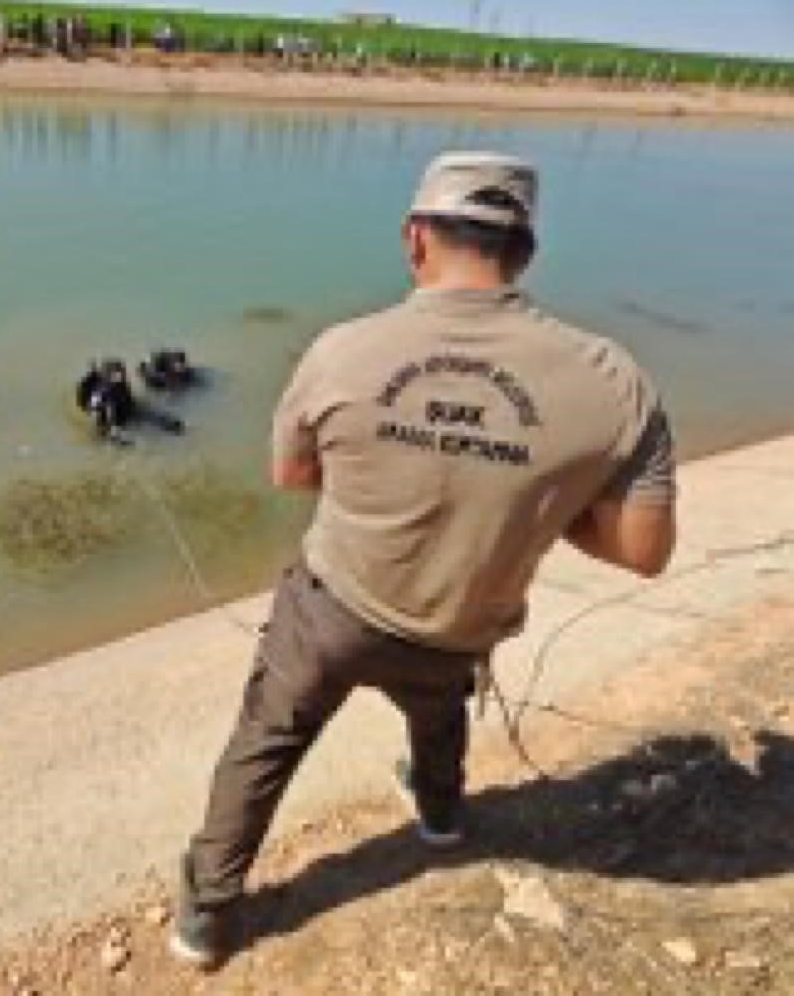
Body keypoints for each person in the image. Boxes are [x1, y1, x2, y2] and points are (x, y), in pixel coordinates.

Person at [171, 151, 677, 967]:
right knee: (438, 712)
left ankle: (207, 913)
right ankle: (440, 816)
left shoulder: (339, 349)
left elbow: (293, 474)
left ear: (415, 239)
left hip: (330, 611)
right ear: (525, 253)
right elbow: (644, 551)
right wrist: (532, 502)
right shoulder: (615, 382)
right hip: (458, 625)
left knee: (266, 738)